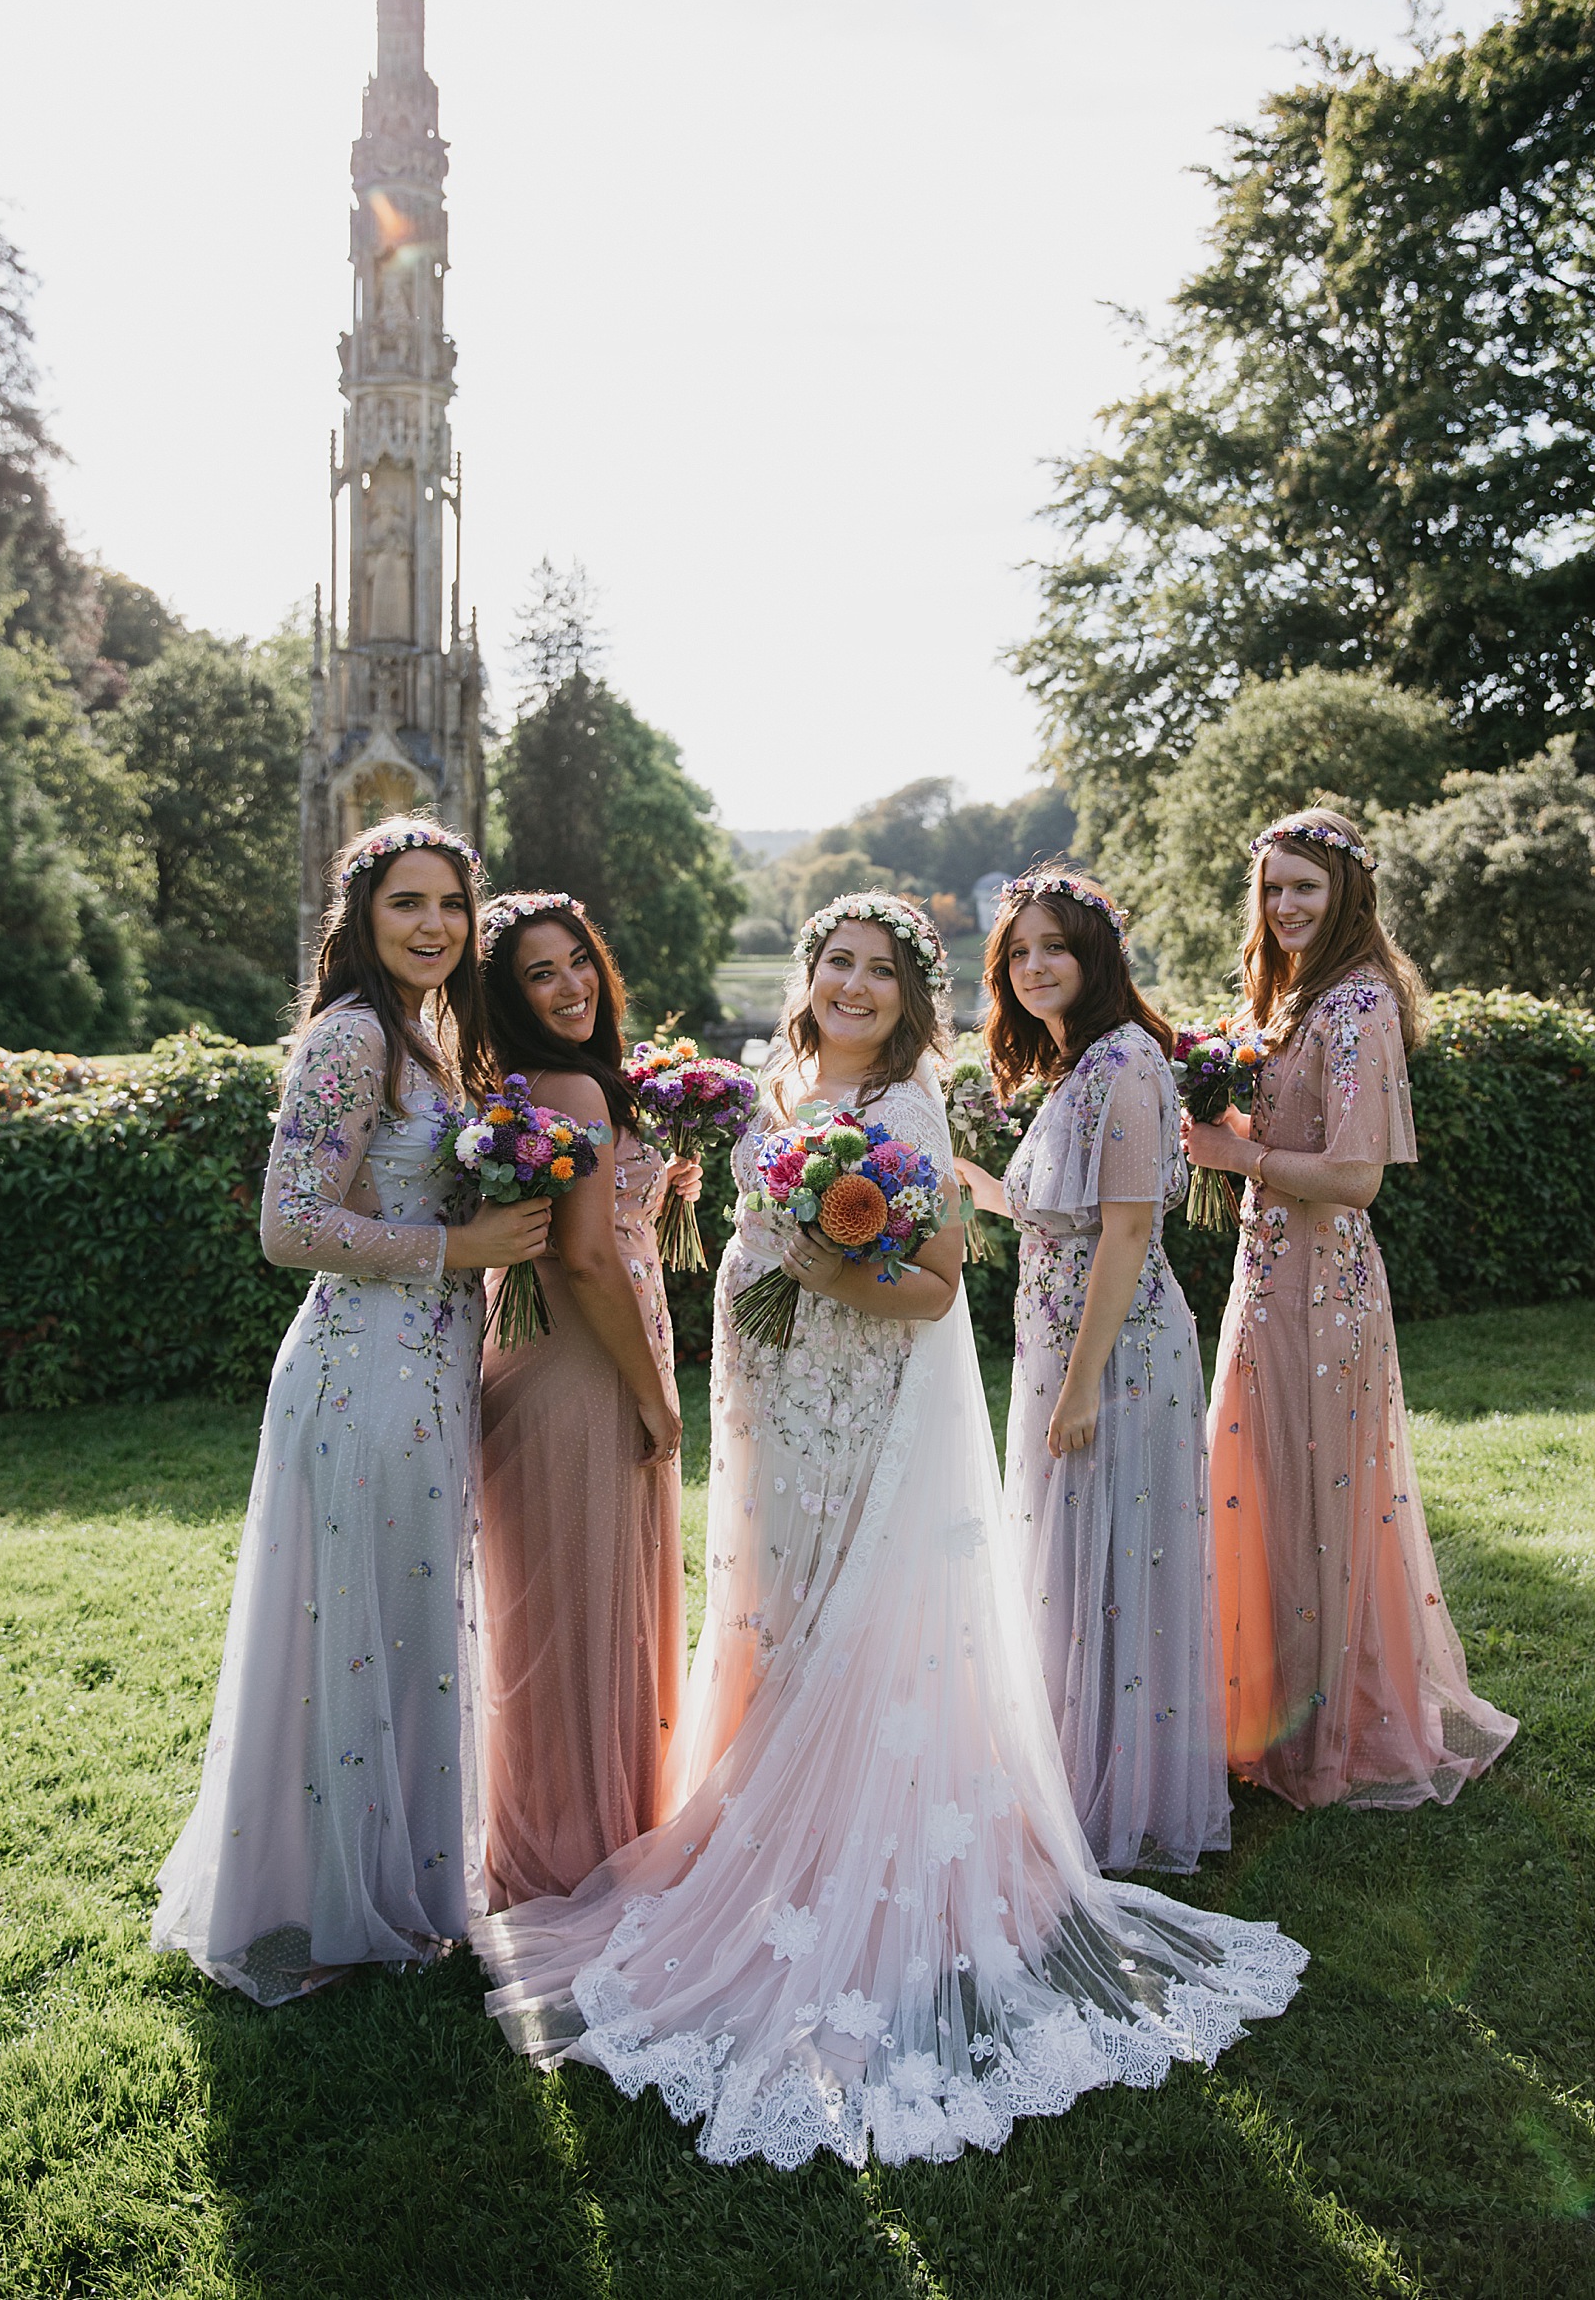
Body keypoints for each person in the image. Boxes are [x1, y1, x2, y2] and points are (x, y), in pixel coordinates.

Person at [472, 893, 1304, 2171]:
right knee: (772, 1607)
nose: (852, 987)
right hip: (766, 1406)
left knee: (839, 1612)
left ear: (908, 996)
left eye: (876, 971)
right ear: (805, 978)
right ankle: (764, 1817)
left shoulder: (907, 1109)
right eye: (834, 965)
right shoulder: (773, 1084)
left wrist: (821, 1264)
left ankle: (840, 1850)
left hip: (852, 1404)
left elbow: (927, 1288)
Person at [152, 821, 552, 2003]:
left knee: (408, 1624)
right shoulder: (350, 1038)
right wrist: (456, 1244)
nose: (433, 925)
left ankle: (403, 1887)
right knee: (361, 1627)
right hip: (362, 1371)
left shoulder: (423, 1039)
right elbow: (289, 1228)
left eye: (450, 906)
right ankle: (341, 1901)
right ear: (363, 919)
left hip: (425, 1365)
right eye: (406, 904)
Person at [1184, 809, 1517, 1809]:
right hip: (1264, 1273)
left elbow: (1354, 1176)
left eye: (1304, 889)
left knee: (1317, 1505)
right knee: (1262, 1492)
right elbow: (1292, 1127)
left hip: (1321, 1290)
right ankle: (1264, 1706)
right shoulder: (1293, 1000)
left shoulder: (1356, 1004)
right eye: (1271, 889)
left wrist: (1235, 1155)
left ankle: (1330, 1732)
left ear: (1345, 897)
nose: (1283, 906)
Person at [956, 872, 1227, 1874]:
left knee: (1118, 1564)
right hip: (1060, 1339)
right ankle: (1076, 1772)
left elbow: (1121, 1236)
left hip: (1113, 1353)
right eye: (1017, 953)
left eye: (1053, 949)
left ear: (1094, 958)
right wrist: (965, 1182)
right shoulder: (1075, 1069)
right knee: (1079, 1565)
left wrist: (1077, 1388)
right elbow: (1052, 1216)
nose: (1033, 968)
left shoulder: (1123, 1063)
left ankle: (1124, 1799)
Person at [474, 891, 696, 1906]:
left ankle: (575, 1834)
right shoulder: (569, 1085)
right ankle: (573, 1857)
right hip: (582, 1366)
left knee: (566, 1609)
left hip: (554, 1354)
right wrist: (653, 1397)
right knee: (583, 1614)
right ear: (507, 995)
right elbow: (589, 1258)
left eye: (577, 963)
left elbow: (600, 1211)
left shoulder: (544, 1082)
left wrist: (657, 1181)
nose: (569, 987)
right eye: (538, 973)